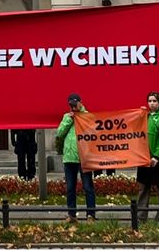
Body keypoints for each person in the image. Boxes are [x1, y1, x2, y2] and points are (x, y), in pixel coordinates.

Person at [56, 92, 96, 224]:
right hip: (69, 158)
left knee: (88, 186)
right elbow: (59, 133)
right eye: (71, 105)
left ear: (80, 102)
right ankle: (72, 214)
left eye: (75, 104)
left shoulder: (87, 116)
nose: (73, 107)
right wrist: (69, 119)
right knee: (70, 187)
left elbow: (93, 133)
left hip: (84, 157)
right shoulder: (67, 117)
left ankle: (91, 214)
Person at [137, 91, 159, 226]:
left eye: (154, 101)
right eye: (150, 101)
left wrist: (157, 156)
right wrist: (139, 114)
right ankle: (141, 217)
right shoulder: (145, 116)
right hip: (144, 158)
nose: (152, 104)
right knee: (143, 189)